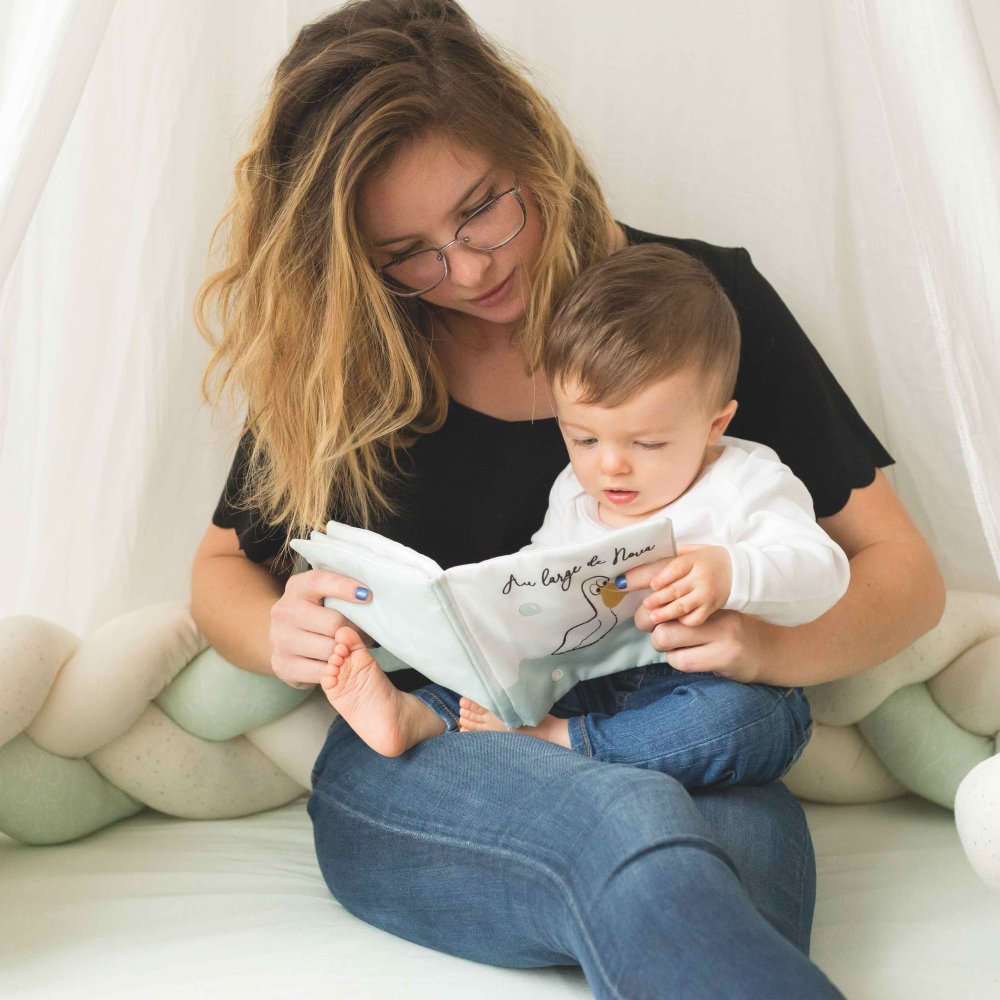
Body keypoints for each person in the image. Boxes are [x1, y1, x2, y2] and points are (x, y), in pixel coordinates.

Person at [190, 1, 945, 996]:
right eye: (408, 253)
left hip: (684, 725)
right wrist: (273, 630)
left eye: (480, 211)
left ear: (529, 143)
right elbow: (218, 570)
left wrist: (767, 652)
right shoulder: (350, 359)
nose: (464, 270)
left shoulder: (695, 307)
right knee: (632, 827)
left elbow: (903, 573)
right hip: (430, 741)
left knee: (694, 860)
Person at [322, 243, 845, 794]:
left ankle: (564, 744)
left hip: (702, 685)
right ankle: (419, 717)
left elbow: (825, 572)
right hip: (587, 677)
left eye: (647, 443)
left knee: (746, 722)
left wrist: (732, 571)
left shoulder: (746, 483)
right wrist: (491, 599)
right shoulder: (575, 491)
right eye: (584, 437)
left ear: (716, 425)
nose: (610, 465)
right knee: (505, 674)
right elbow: (542, 571)